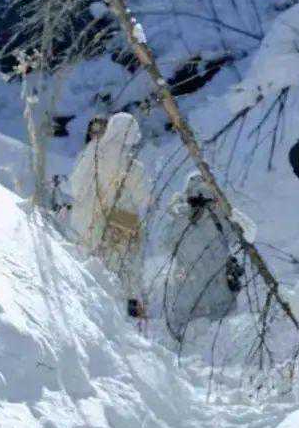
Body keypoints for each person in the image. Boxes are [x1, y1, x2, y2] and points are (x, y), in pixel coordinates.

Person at [69, 111, 149, 318]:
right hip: (123, 219)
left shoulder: (93, 155)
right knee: (124, 267)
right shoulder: (134, 166)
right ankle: (128, 307)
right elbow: (144, 199)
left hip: (93, 217)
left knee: (95, 266)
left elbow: (75, 187)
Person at [160, 172, 245, 342]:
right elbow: (240, 236)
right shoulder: (220, 217)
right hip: (219, 302)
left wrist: (174, 208)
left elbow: (165, 244)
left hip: (187, 302)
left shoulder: (181, 217)